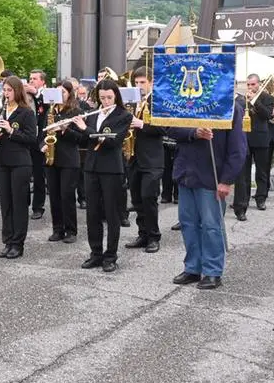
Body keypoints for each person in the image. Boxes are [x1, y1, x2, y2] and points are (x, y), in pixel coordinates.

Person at [170, 99, 247, 290]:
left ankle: (213, 271)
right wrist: (193, 133)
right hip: (186, 173)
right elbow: (169, 128)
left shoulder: (230, 106)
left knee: (212, 225)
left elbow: (238, 147)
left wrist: (227, 179)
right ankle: (193, 267)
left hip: (212, 175)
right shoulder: (185, 102)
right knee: (188, 223)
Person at [71, 79, 132, 272]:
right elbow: (84, 139)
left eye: (109, 98)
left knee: (112, 213)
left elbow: (111, 142)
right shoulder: (92, 114)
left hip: (111, 169)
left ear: (116, 96)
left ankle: (110, 256)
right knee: (93, 213)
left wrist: (84, 129)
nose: (105, 101)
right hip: (91, 167)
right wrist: (68, 129)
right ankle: (95, 253)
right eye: (102, 97)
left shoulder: (123, 116)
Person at [0, 76, 38, 259]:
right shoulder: (2, 111)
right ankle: (8, 240)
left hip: (20, 162)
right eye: (4, 90)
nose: (6, 94)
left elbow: (31, 138)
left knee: (19, 203)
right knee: (6, 203)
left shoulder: (26, 112)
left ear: (17, 91)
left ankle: (18, 243)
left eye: (9, 90)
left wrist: (11, 131)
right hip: (2, 160)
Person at [125, 67, 167, 254]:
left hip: (152, 158)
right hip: (133, 155)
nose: (139, 86)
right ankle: (142, 233)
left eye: (142, 82)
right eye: (136, 82)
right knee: (136, 198)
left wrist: (142, 124)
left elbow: (165, 128)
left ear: (151, 82)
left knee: (149, 197)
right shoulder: (132, 101)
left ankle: (153, 236)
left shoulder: (159, 100)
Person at [42, 80, 82, 243]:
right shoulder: (50, 111)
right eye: (57, 93)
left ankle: (71, 230)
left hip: (69, 159)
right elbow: (42, 133)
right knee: (54, 195)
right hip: (51, 157)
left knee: (67, 195)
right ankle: (57, 229)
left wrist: (65, 129)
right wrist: (42, 145)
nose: (60, 96)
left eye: (63, 93)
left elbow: (81, 138)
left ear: (69, 94)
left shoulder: (75, 112)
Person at [232, 73, 274, 220]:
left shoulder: (267, 98)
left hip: (261, 138)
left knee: (262, 171)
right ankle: (242, 202)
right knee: (243, 173)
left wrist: (254, 101)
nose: (250, 87)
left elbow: (267, 115)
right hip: (245, 138)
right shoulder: (242, 99)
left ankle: (261, 198)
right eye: (248, 84)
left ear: (259, 84)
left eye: (253, 84)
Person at [25, 69, 49, 220]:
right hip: (26, 136)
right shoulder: (27, 94)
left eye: (34, 78)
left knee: (39, 175)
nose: (31, 80)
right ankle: (23, 203)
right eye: (30, 78)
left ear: (42, 82)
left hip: (39, 138)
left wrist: (36, 93)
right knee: (25, 173)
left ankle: (38, 207)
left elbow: (46, 108)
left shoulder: (46, 94)